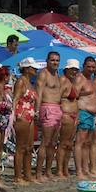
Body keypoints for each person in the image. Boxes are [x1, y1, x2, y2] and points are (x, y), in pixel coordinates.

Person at [34, 51, 64, 181]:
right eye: (52, 60)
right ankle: (39, 173)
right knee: (45, 142)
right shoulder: (43, 74)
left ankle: (48, 171)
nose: (55, 62)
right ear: (47, 61)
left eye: (57, 60)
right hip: (47, 107)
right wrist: (36, 110)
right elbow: (39, 93)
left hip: (57, 109)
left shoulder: (57, 74)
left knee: (53, 143)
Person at [11, 59, 38, 185]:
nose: (36, 70)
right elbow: (15, 99)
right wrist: (13, 116)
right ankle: (18, 176)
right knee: (20, 147)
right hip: (22, 115)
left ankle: (27, 174)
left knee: (29, 147)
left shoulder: (29, 82)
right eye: (33, 68)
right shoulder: (21, 81)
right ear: (27, 68)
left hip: (30, 115)